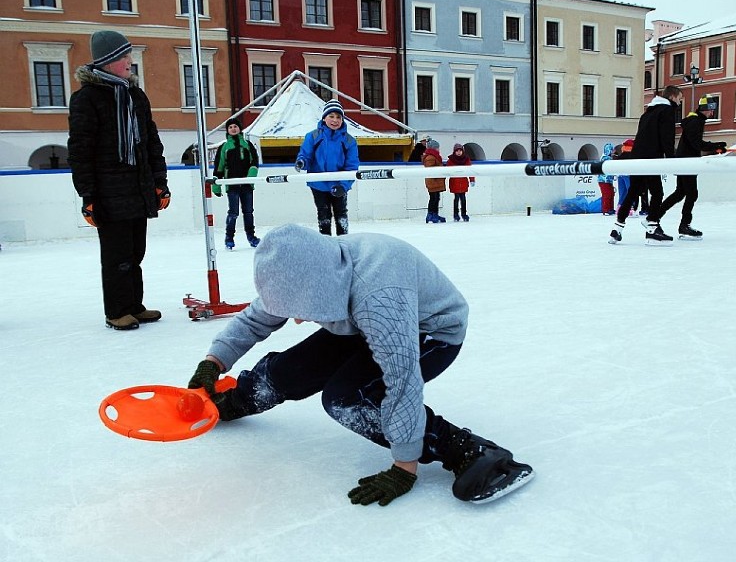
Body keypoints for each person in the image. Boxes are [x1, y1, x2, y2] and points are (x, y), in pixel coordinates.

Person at [187, 224, 534, 506]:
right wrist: (213, 362)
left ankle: (465, 449)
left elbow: (402, 379)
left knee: (347, 397)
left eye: (300, 310)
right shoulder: (306, 267)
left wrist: (404, 465)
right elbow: (255, 320)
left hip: (430, 331)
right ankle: (234, 401)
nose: (294, 320)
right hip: (357, 319)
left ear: (319, 294)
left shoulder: (378, 297)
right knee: (291, 370)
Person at [67, 30, 170, 330]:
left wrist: (159, 181)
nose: (130, 61)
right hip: (108, 192)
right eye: (124, 56)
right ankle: (116, 310)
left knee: (136, 252)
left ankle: (134, 306)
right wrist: (88, 196)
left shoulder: (135, 96)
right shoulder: (86, 99)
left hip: (137, 187)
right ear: (108, 60)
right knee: (117, 255)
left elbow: (152, 141)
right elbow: (80, 151)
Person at [608, 85, 683, 246]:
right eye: (679, 98)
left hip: (638, 158)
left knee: (633, 192)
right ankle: (652, 227)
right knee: (657, 193)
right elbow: (666, 138)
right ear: (672, 96)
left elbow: (641, 136)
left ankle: (617, 229)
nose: (680, 102)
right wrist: (672, 160)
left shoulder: (648, 112)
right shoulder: (667, 111)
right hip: (651, 159)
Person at [659, 96, 727, 240]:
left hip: (686, 161)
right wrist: (715, 147)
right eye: (710, 110)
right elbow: (696, 144)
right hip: (687, 162)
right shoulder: (695, 121)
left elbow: (694, 143)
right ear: (705, 109)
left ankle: (655, 217)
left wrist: (715, 148)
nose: (712, 114)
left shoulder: (695, 121)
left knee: (680, 193)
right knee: (691, 194)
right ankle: (683, 225)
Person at [294, 99, 359, 235]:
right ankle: (326, 243)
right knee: (323, 214)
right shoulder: (313, 136)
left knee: (341, 214)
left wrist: (344, 185)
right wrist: (301, 162)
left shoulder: (349, 140)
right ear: (324, 118)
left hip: (339, 184)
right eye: (331, 116)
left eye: (338, 117)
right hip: (319, 184)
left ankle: (343, 243)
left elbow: (352, 165)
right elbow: (306, 155)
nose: (335, 120)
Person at [212, 117, 261, 250]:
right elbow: (219, 166)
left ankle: (251, 237)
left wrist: (251, 175)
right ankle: (229, 238)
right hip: (232, 185)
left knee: (248, 212)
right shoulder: (224, 147)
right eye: (230, 127)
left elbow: (254, 162)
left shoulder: (247, 145)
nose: (233, 129)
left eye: (235, 126)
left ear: (239, 129)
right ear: (227, 130)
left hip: (247, 185)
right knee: (233, 212)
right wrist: (216, 184)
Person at [446, 143, 474, 222]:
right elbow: (447, 171)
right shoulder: (451, 160)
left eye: (460, 151)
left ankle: (464, 214)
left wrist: (472, 180)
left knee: (463, 199)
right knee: (456, 199)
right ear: (454, 152)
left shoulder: (466, 159)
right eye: (457, 151)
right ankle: (456, 214)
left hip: (463, 182)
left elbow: (470, 170)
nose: (459, 152)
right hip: (455, 182)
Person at [422, 138, 446, 223]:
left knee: (436, 198)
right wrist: (441, 168)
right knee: (433, 198)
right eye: (437, 148)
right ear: (433, 148)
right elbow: (430, 169)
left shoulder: (434, 156)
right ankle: (430, 214)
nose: (439, 149)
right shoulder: (430, 157)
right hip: (433, 181)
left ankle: (434, 214)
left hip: (435, 181)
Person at [598, 142, 616, 216]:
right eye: (612, 150)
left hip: (608, 180)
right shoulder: (606, 158)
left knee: (611, 194)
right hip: (603, 180)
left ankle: (610, 208)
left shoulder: (609, 158)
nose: (613, 151)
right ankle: (606, 209)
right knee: (607, 194)